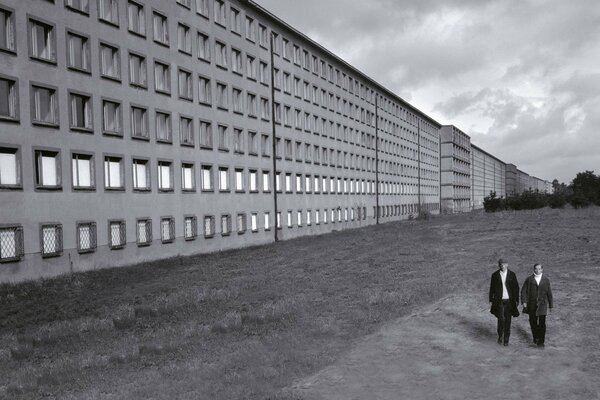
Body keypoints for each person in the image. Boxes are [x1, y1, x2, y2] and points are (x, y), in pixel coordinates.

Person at [521, 263, 553, 348]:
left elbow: (549, 293)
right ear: (533, 269)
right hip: (532, 305)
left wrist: (551, 305)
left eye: (539, 269)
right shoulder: (529, 279)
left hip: (542, 305)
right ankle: (535, 337)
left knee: (542, 323)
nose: (537, 270)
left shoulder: (546, 280)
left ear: (542, 270)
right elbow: (523, 291)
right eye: (536, 269)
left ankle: (541, 342)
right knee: (533, 322)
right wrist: (524, 301)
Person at [489, 258, 520, 346]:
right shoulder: (495, 275)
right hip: (499, 301)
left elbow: (516, 288)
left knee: (508, 320)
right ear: (499, 265)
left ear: (507, 265)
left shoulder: (512, 275)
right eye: (501, 264)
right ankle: (500, 336)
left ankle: (506, 340)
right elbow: (492, 288)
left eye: (504, 264)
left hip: (509, 301)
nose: (502, 266)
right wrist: (491, 299)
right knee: (501, 319)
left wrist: (517, 300)